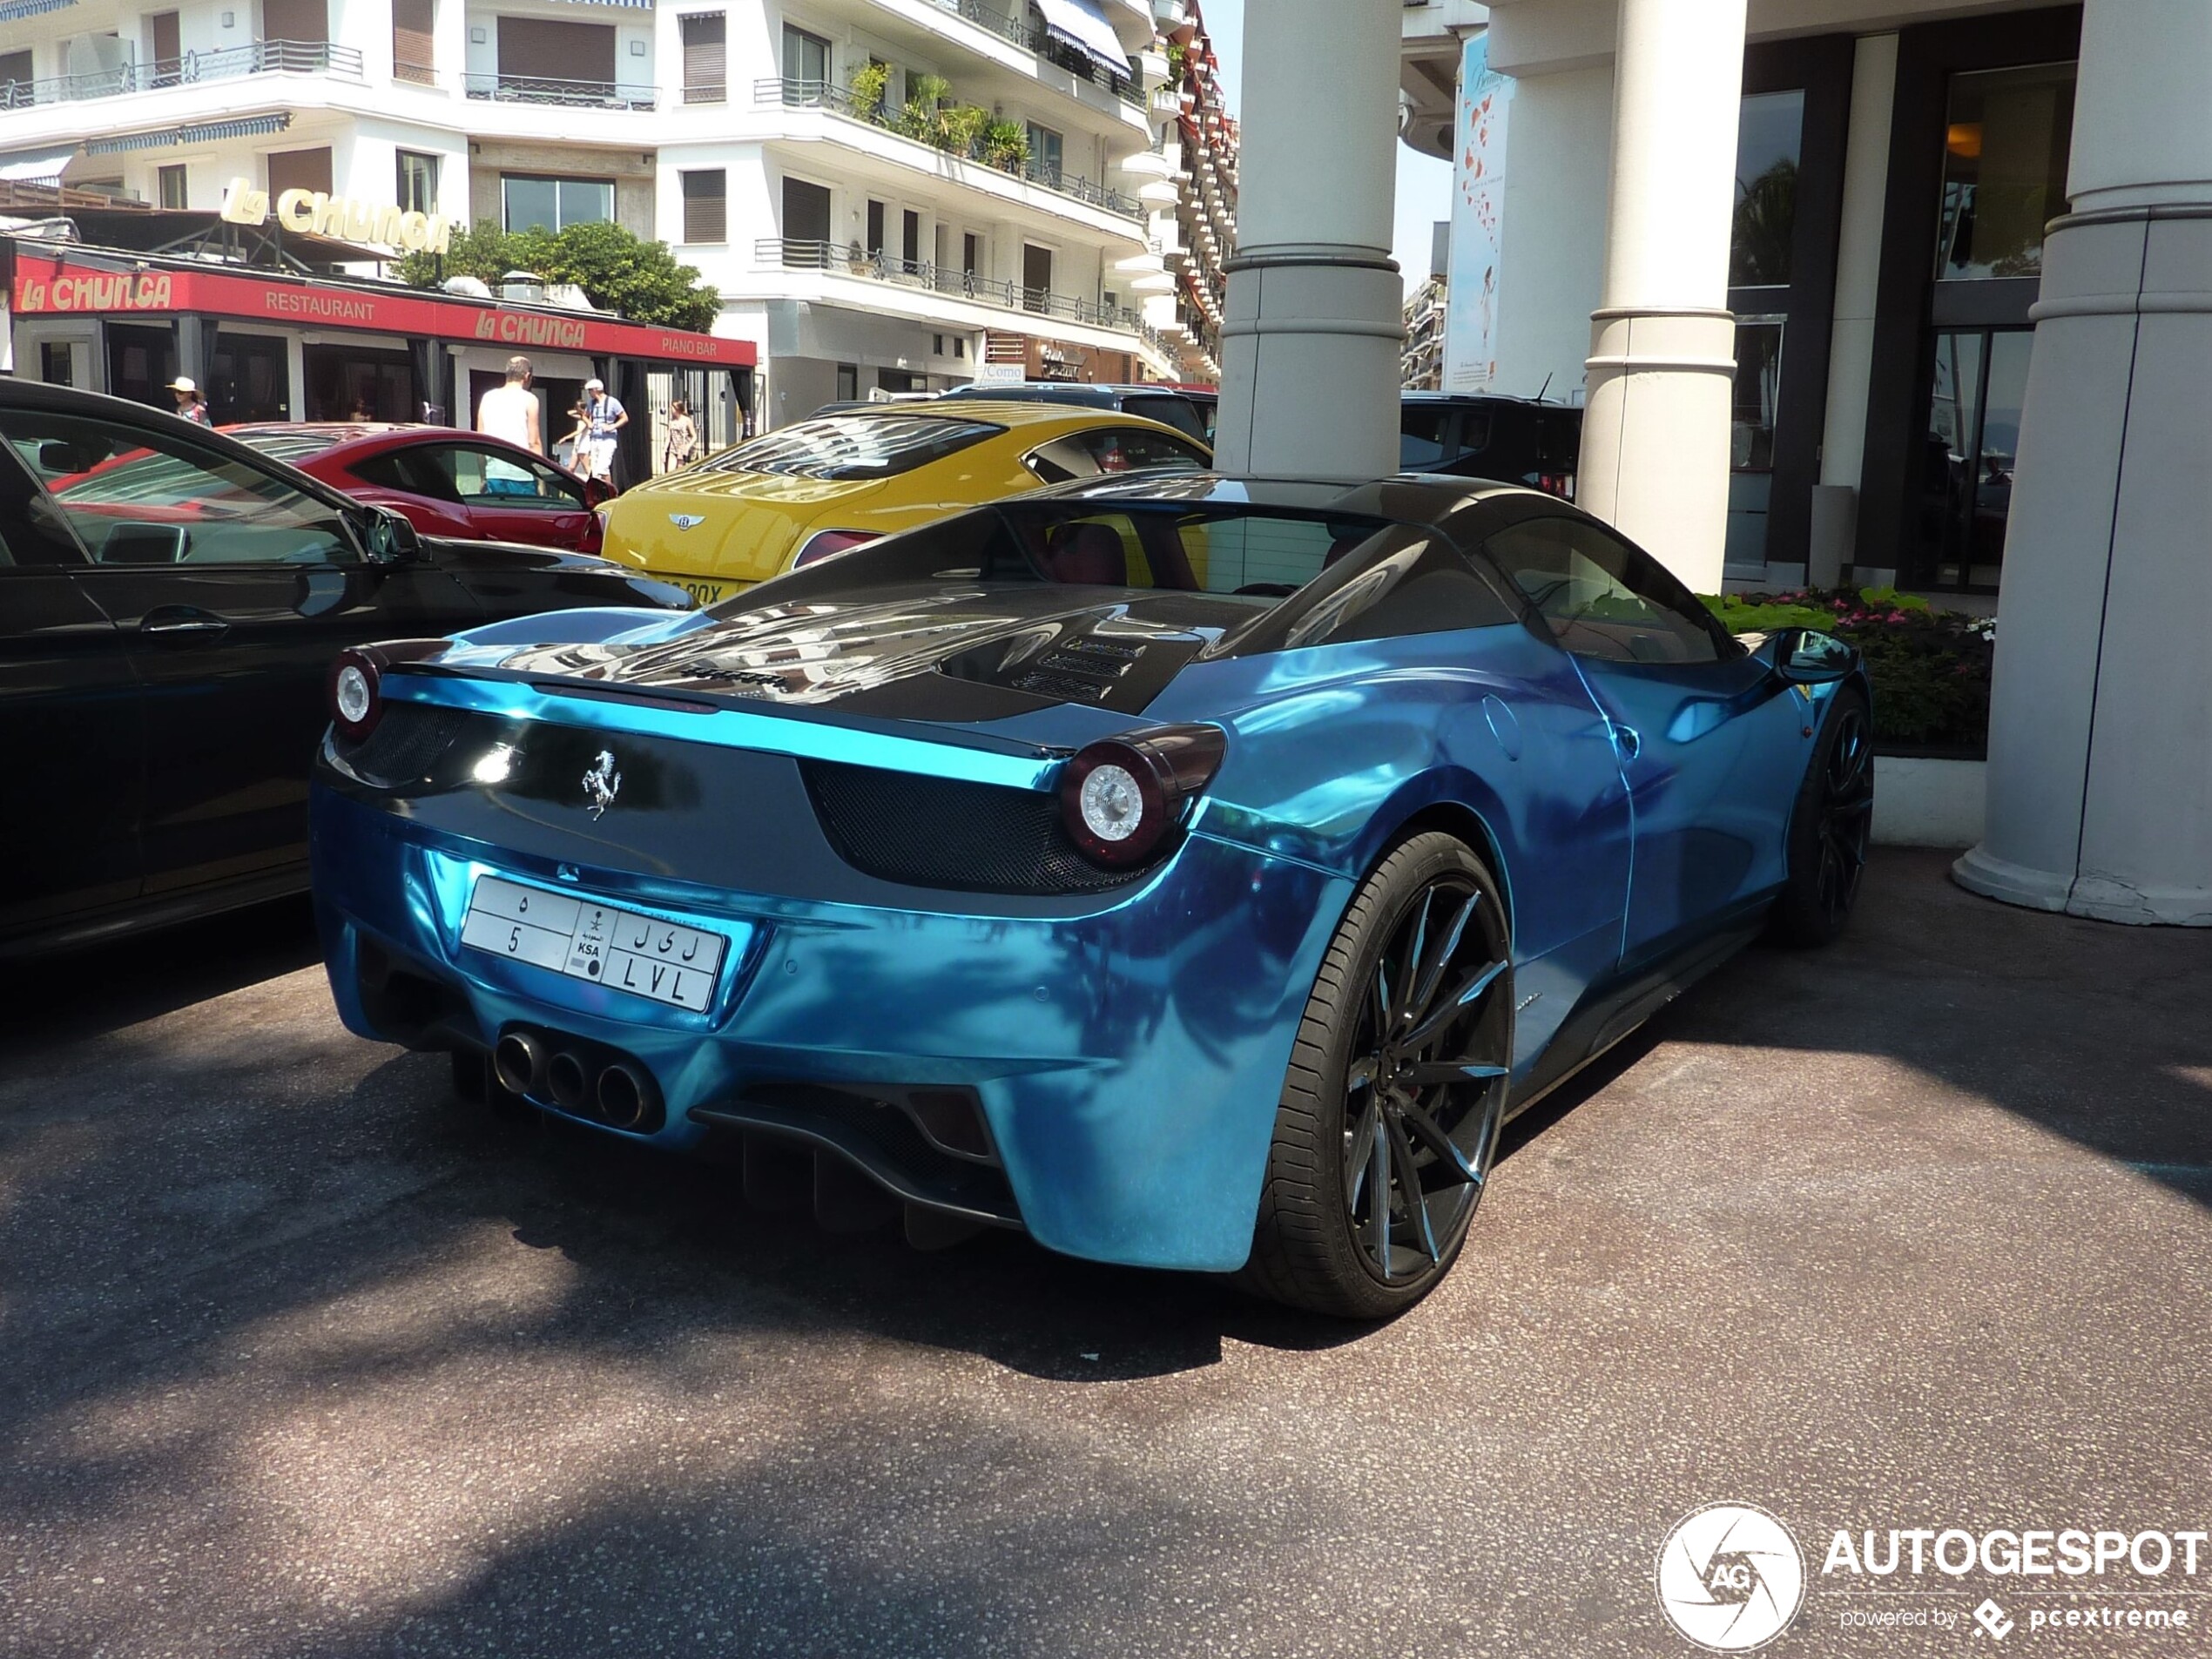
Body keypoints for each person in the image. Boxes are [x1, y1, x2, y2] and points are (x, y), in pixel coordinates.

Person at [475, 354, 542, 455]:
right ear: (527, 376)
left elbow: (481, 439)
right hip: (519, 464)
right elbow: (533, 442)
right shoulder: (530, 399)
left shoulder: (487, 397)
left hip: (493, 463)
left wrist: (483, 470)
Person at [581, 377, 628, 488]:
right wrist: (589, 423)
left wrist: (612, 426)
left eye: (590, 390)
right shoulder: (591, 403)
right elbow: (584, 416)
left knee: (603, 467)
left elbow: (624, 418)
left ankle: (610, 492)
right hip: (594, 439)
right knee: (596, 470)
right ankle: (598, 493)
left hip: (608, 439)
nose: (589, 393)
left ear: (596, 390)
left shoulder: (612, 402)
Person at [663, 397, 698, 472]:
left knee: (680, 470)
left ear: (677, 409)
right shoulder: (672, 421)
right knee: (670, 472)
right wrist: (664, 450)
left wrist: (688, 446)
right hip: (673, 449)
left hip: (682, 449)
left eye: (672, 408)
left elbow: (694, 436)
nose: (671, 410)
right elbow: (668, 437)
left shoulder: (686, 420)